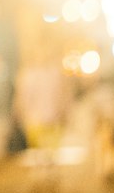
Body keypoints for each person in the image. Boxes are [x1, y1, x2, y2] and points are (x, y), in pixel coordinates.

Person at [12, 33, 73, 163]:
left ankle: (48, 172)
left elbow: (64, 95)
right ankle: (41, 172)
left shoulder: (56, 73)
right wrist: (19, 112)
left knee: (51, 151)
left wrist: (66, 111)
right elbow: (21, 96)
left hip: (54, 118)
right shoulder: (27, 74)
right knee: (38, 149)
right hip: (34, 119)